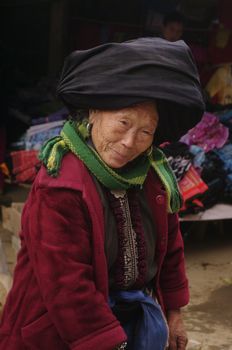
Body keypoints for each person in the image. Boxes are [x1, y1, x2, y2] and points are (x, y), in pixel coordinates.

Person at [0, 38, 204, 350]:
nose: (129, 142)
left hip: (131, 321)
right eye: (123, 123)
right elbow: (67, 286)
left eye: (145, 132)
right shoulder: (61, 184)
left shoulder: (151, 175)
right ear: (94, 112)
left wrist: (174, 313)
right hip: (60, 332)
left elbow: (170, 246)